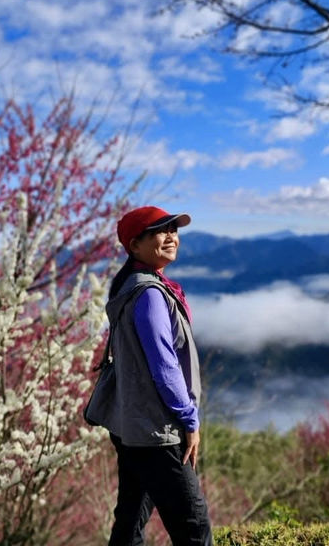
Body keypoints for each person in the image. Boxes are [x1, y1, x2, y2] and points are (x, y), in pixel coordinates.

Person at [98, 206, 213, 546]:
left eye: (174, 230)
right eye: (160, 231)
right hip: (157, 431)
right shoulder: (148, 294)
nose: (171, 237)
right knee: (194, 528)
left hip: (131, 423)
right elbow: (164, 366)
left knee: (131, 521)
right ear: (135, 246)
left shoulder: (134, 287)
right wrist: (189, 419)